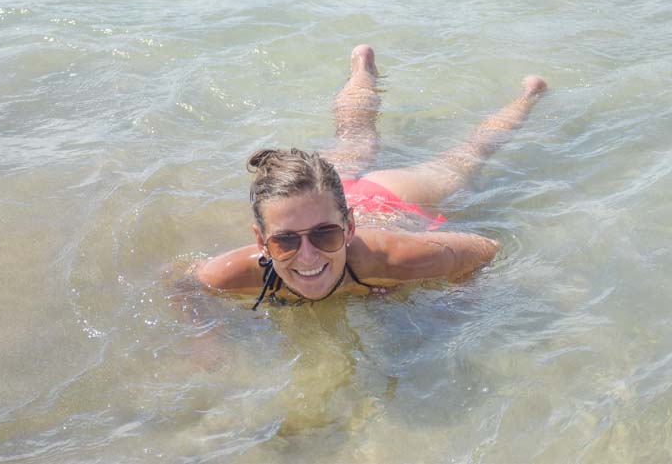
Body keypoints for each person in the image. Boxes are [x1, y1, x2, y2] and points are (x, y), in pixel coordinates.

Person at [188, 45, 547, 309]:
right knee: (354, 136)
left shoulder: (393, 258)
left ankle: (530, 95)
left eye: (325, 236)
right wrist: (201, 340)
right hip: (316, 199)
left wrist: (453, 305)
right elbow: (181, 279)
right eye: (285, 242)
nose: (309, 256)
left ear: (350, 228)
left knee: (465, 159)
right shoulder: (233, 273)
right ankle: (362, 64)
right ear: (262, 241)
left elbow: (483, 249)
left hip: (390, 199)